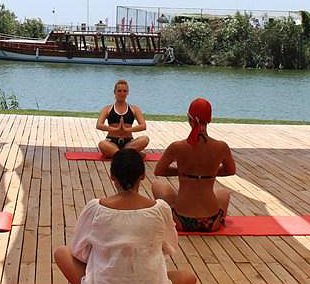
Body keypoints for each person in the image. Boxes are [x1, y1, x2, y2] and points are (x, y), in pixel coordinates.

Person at [54, 149, 196, 284]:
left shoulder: (95, 209)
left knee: (62, 253)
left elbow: (78, 251)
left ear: (112, 176)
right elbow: (170, 246)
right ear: (143, 176)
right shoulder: (160, 209)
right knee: (188, 276)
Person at [151, 98, 235, 233]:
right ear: (210, 120)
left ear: (189, 119)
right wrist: (210, 172)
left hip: (180, 220)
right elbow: (230, 170)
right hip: (211, 221)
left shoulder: (177, 146)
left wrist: (183, 172)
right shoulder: (221, 147)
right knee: (224, 193)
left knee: (157, 185)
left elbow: (159, 171)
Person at [96, 79, 149, 158]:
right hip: (112, 141)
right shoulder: (107, 109)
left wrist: (127, 129)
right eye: (119, 91)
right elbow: (99, 125)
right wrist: (115, 129)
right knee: (102, 144)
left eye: (124, 91)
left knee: (145, 139)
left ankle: (118, 154)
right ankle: (130, 154)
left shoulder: (134, 109)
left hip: (129, 142)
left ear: (128, 93)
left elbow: (143, 126)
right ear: (114, 92)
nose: (122, 93)